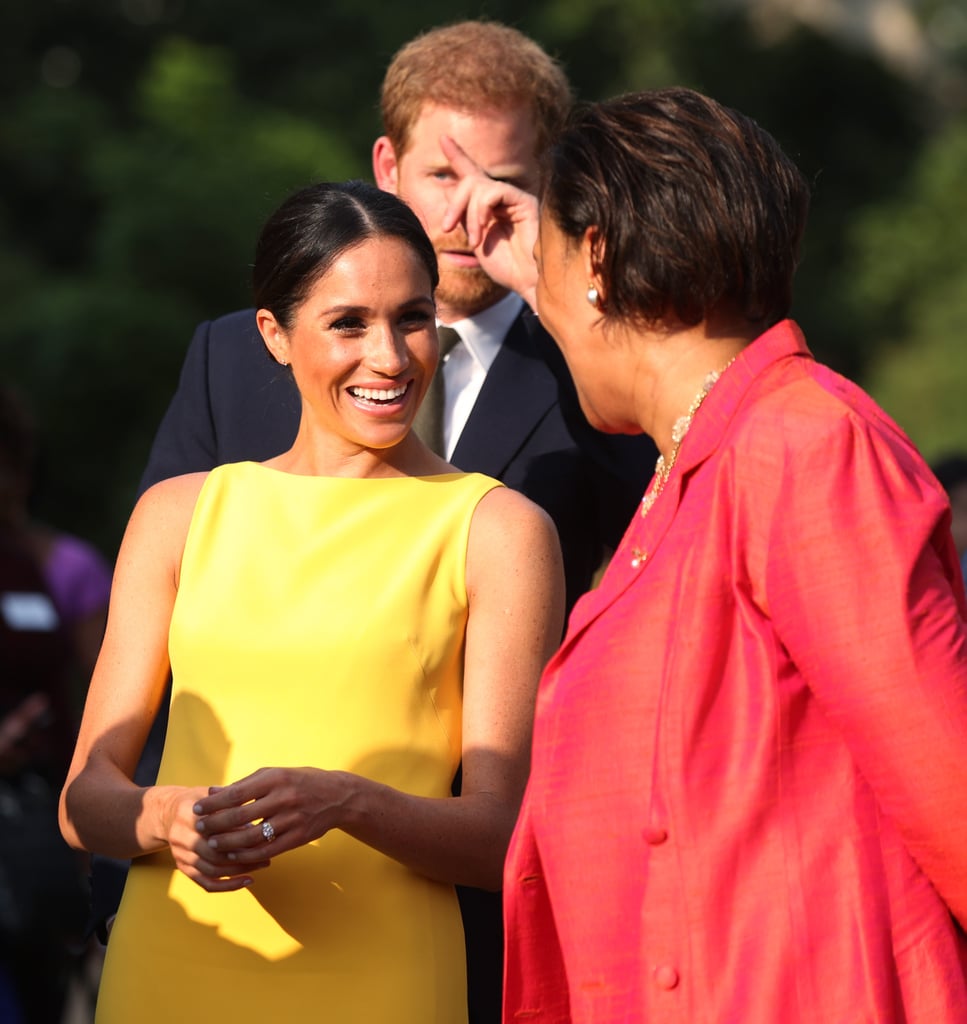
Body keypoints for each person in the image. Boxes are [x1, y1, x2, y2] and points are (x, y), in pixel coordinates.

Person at [90, 21, 655, 1021]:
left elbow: (677, 494)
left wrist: (558, 282)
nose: (391, 356)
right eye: (442, 173)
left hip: (439, 946)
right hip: (180, 940)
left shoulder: (581, 387)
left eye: (505, 179)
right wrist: (161, 825)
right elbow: (111, 763)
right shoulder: (208, 436)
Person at [444, 87, 967, 1021]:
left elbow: (949, 790)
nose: (541, 304)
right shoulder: (697, 465)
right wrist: (554, 265)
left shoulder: (800, 445)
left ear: (596, 253)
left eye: (554, 264)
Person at [59, 180, 565, 1022]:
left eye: (411, 317)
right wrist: (165, 817)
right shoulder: (180, 514)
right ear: (274, 335)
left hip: (384, 978)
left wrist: (350, 801)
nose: (391, 358)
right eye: (347, 323)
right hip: (171, 966)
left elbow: (502, 838)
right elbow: (85, 801)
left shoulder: (499, 530)